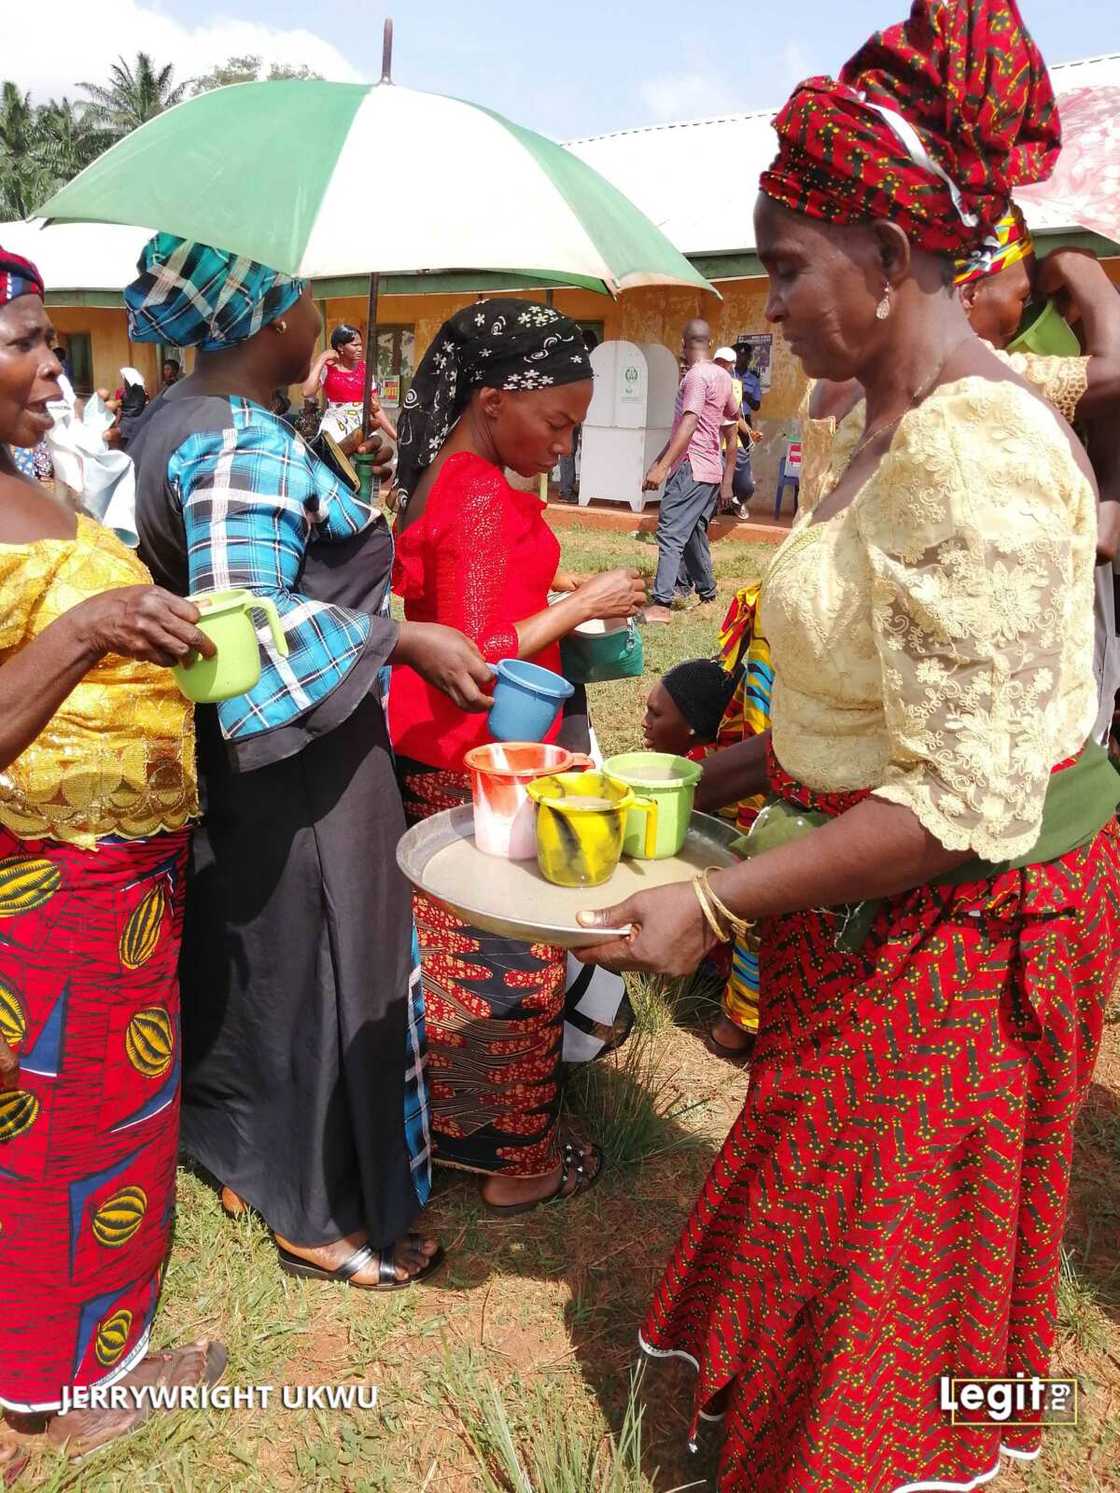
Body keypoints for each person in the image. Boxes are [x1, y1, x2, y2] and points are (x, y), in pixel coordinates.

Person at [575, 4, 1120, 1490]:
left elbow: (956, 803)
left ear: (891, 259)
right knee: (826, 1189)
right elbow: (869, 686)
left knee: (892, 1233)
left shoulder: (979, 458)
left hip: (968, 914)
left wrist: (720, 897)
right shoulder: (853, 412)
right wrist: (711, 786)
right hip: (863, 886)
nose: (772, 308)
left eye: (791, 268)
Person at [127, 233, 494, 1292]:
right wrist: (402, 638)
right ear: (268, 318)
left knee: (260, 962)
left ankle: (248, 1155)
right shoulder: (243, 438)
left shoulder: (177, 420)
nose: (320, 317)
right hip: (299, 747)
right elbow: (245, 617)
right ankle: (322, 1207)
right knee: (332, 963)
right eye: (307, 301)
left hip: (232, 747)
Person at [0, 244, 226, 1472]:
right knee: (58, 1134)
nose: (53, 366)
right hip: (51, 885)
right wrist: (95, 624)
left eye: (47, 340)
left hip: (117, 880)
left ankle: (103, 1345)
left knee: (112, 1121)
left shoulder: (25, 479)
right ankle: (54, 1381)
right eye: (26, 342)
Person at [390, 299, 646, 1213]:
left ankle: (460, 1134)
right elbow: (478, 650)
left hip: (432, 752)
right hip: (482, 755)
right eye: (558, 421)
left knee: (459, 950)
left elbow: (455, 594)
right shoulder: (479, 496)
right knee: (512, 958)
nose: (564, 444)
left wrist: (559, 583)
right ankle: (518, 1159)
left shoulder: (441, 475)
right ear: (495, 399)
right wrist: (586, 605)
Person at [642, 320, 739, 623]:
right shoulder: (722, 375)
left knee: (670, 533)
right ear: (709, 343)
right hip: (711, 469)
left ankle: (661, 604)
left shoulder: (695, 377)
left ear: (684, 343)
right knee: (695, 531)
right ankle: (708, 593)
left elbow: (689, 422)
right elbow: (734, 413)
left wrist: (665, 467)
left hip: (691, 467)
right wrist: (659, 461)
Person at [302, 322, 397, 446]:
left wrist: (396, 436)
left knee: (378, 448)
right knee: (332, 449)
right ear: (341, 347)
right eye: (355, 345)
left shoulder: (365, 368)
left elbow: (376, 409)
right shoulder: (327, 368)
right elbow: (307, 392)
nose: (360, 349)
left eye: (361, 345)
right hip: (335, 424)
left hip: (360, 422)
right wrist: (321, 359)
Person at [642, 657, 739, 758]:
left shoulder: (700, 770)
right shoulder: (730, 759)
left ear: (695, 722)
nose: (644, 722)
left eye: (656, 714)